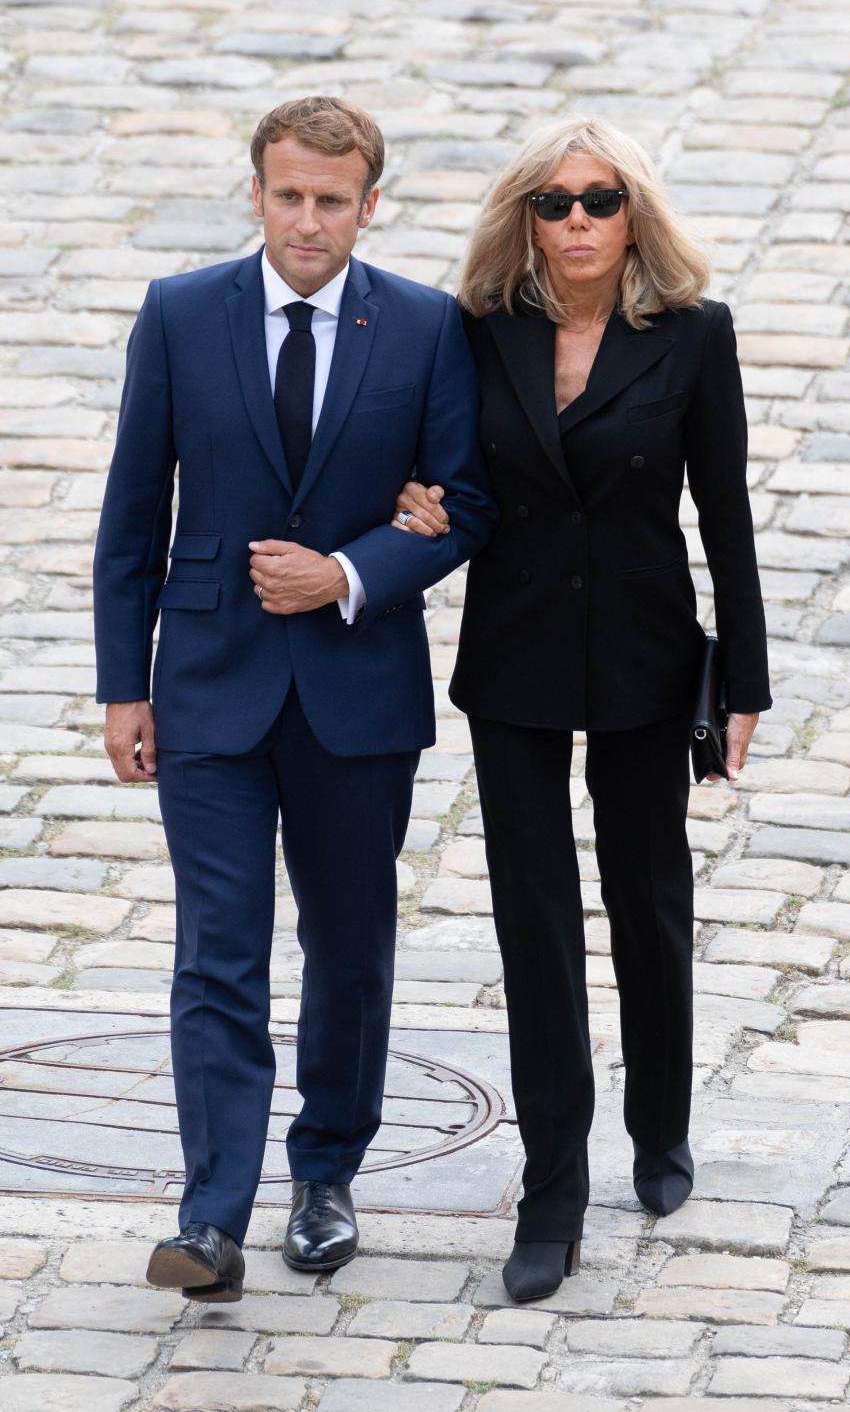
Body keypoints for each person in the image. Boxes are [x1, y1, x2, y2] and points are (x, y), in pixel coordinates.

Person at [93, 95, 496, 1302]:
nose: (307, 220)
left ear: (370, 205)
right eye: (288, 196)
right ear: (258, 193)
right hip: (207, 685)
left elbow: (464, 504)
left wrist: (351, 571)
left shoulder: (425, 328)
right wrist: (124, 685)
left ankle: (326, 1174)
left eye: (332, 200)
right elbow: (132, 514)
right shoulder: (179, 314)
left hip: (356, 692)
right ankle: (209, 1214)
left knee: (350, 945)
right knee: (216, 951)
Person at [393, 117, 771, 1303]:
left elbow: (727, 515)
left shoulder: (695, 338)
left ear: (634, 213)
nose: (577, 224)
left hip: (650, 659)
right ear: (525, 217)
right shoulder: (479, 333)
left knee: (647, 895)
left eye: (600, 201)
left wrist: (746, 679)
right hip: (514, 657)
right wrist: (416, 511)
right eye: (554, 204)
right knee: (534, 920)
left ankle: (661, 1122)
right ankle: (551, 1187)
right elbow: (450, 477)